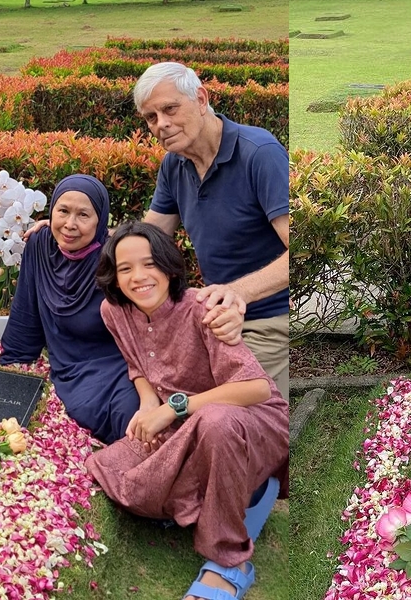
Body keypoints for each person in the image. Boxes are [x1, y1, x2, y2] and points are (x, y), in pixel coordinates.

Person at [86, 222, 287, 600]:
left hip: (249, 420)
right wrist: (148, 402)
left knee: (215, 420)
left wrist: (173, 408)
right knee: (114, 473)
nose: (139, 277)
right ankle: (247, 490)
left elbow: (258, 387)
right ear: (113, 275)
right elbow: (136, 364)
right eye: (126, 268)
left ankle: (228, 561)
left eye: (149, 264)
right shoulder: (114, 311)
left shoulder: (202, 308)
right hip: (191, 423)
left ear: (169, 266)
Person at [135, 62, 290, 399]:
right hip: (216, 319)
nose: (161, 124)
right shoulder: (174, 163)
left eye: (170, 109)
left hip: (271, 321)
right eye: (151, 118)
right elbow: (146, 241)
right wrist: (71, 230)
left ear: (201, 99)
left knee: (239, 417)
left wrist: (240, 293)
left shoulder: (259, 154)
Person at [0, 175, 140, 444]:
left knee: (134, 414)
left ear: (100, 221)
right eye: (63, 211)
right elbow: (26, 309)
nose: (70, 225)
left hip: (120, 361)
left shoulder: (116, 257)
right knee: (101, 410)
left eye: (83, 215)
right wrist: (13, 361)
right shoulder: (41, 245)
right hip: (72, 366)